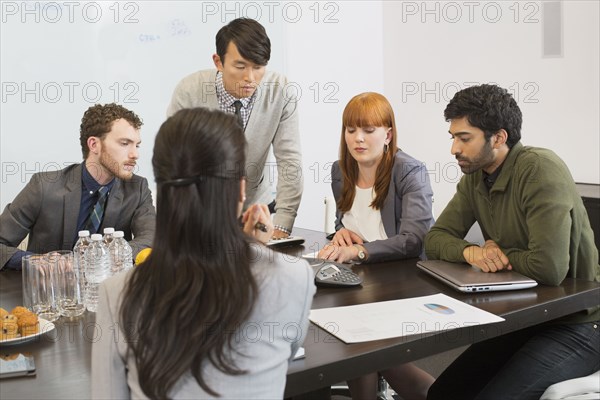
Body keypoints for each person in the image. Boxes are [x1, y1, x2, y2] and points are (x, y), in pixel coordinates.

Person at [91, 107, 316, 399]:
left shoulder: (117, 293)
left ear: (163, 192)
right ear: (240, 191)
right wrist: (255, 251)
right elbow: (274, 365)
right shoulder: (294, 277)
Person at [425, 84, 600, 400]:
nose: (454, 149)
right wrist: (472, 252)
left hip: (582, 322)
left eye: (464, 138)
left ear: (499, 137)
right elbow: (436, 238)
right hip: (525, 317)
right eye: (453, 137)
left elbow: (549, 268)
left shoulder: (539, 168)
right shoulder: (475, 178)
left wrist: (499, 252)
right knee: (443, 394)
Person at [318, 92, 435, 400]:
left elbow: (415, 240)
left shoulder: (409, 171)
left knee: (361, 344)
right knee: (352, 340)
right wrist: (341, 234)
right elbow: (348, 221)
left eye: (368, 130)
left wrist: (359, 251)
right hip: (365, 279)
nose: (358, 139)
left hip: (407, 280)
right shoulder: (340, 170)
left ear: (388, 134)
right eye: (351, 130)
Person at [167, 17, 302, 239]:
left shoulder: (281, 91)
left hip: (258, 209)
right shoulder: (189, 92)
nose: (250, 78)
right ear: (218, 62)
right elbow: (175, 161)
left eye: (258, 67)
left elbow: (290, 159)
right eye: (240, 66)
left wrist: (283, 225)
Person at [0, 103, 155, 270]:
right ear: (94, 145)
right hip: (52, 292)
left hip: (106, 291)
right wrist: (35, 261)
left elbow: (150, 238)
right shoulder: (43, 186)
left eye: (137, 145)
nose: (135, 154)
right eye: (125, 143)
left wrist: (98, 258)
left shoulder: (137, 188)